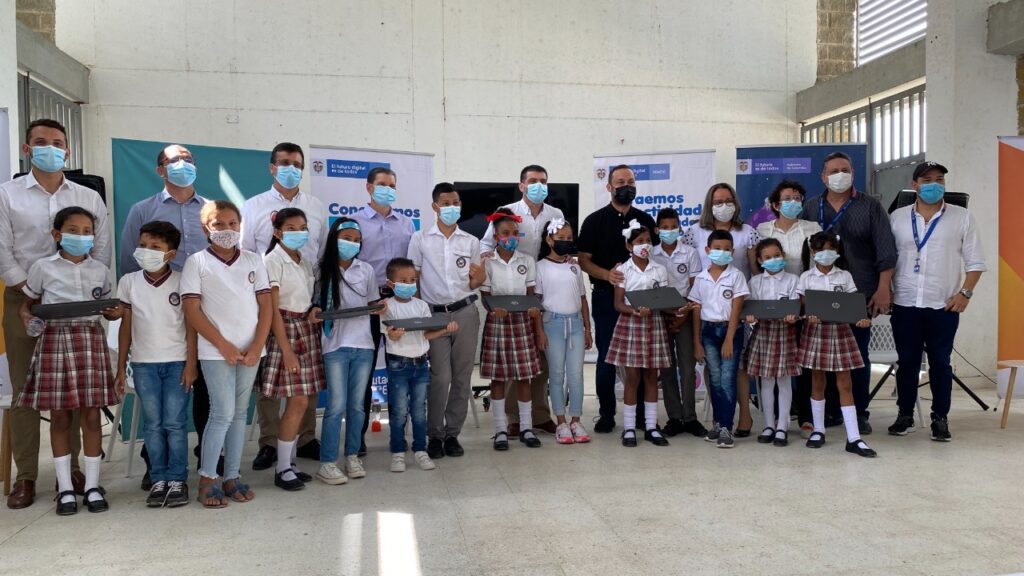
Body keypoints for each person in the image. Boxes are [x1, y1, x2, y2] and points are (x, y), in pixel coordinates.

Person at [0, 119, 110, 509]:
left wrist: (84, 293)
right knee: (23, 391)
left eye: (58, 143)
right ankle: (26, 476)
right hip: (24, 301)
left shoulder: (87, 197)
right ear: (27, 149)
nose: (51, 148)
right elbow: (2, 249)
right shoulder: (7, 194)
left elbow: (101, 251)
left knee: (74, 392)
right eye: (41, 142)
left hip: (76, 309)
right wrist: (32, 289)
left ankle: (74, 471)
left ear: (67, 150)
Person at [118, 143, 211, 489]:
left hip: (208, 313)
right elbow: (130, 263)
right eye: (174, 160)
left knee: (204, 392)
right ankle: (156, 466)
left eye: (188, 159)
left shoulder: (210, 211)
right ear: (160, 170)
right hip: (158, 319)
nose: (182, 164)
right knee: (157, 413)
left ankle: (206, 459)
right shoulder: (143, 210)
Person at [18, 206, 120, 515]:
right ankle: (64, 489)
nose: (81, 236)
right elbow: (27, 306)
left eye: (87, 231)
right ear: (57, 234)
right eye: (73, 230)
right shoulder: (42, 267)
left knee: (92, 416)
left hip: (90, 340)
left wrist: (114, 313)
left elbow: (108, 307)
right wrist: (28, 318)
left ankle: (92, 486)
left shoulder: (100, 270)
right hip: (55, 340)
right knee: (60, 417)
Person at [241, 143, 327, 471]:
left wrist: (316, 302)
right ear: (272, 167)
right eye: (285, 163)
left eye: (297, 164)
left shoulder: (315, 207)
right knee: (270, 382)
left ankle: (305, 438)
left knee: (305, 384)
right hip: (270, 306)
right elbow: (246, 255)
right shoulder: (253, 206)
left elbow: (319, 257)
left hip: (306, 304)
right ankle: (269, 441)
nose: (292, 168)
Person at [181, 200, 272, 507]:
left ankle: (232, 476)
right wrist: (222, 344)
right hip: (214, 351)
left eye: (233, 224)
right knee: (221, 413)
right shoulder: (196, 262)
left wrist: (257, 345)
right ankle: (208, 479)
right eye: (219, 224)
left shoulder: (253, 260)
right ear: (205, 228)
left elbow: (266, 306)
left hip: (251, 351)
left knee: (239, 414)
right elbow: (192, 311)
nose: (227, 229)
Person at [887, 161, 986, 441]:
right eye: (927, 179)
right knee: (907, 362)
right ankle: (905, 414)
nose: (934, 184)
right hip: (905, 302)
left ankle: (940, 418)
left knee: (940, 363)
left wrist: (965, 294)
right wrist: (887, 290)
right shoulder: (897, 217)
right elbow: (887, 258)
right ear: (915, 185)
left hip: (943, 304)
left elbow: (976, 261)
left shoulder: (961, 217)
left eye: (939, 179)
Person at [803, 151, 897, 434]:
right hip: (819, 296)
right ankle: (831, 411)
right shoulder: (811, 207)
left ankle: (859, 413)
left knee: (856, 357)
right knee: (821, 358)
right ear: (823, 177)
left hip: (859, 293)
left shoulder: (870, 206)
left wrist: (883, 288)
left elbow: (886, 249)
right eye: (833, 171)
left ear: (853, 173)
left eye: (844, 169)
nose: (839, 175)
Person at [115, 220, 197, 508]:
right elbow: (125, 328)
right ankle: (158, 478)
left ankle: (177, 479)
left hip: (177, 364)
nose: (146, 251)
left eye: (155, 247)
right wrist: (120, 367)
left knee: (175, 424)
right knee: (152, 425)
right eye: (143, 245)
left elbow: (191, 327)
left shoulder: (182, 281)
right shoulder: (128, 282)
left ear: (170, 254)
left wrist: (191, 364)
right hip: (143, 365)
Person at [480, 165, 564, 435]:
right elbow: (486, 244)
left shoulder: (555, 213)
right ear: (522, 185)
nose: (539, 185)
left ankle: (539, 415)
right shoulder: (508, 211)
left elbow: (560, 242)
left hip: (544, 286)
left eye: (543, 181)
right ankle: (514, 419)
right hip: (512, 287)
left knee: (539, 357)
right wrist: (486, 260)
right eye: (533, 181)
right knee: (509, 364)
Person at [407, 183, 485, 459]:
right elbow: (414, 279)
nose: (452, 207)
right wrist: (420, 315)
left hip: (465, 312)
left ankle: (452, 434)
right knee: (440, 378)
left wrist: (481, 278)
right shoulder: (420, 239)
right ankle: (435, 435)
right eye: (446, 203)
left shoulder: (470, 241)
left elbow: (474, 281)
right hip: (434, 314)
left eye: (456, 203)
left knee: (462, 377)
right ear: (435, 207)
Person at [577, 164, 656, 433]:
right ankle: (607, 414)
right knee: (607, 358)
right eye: (620, 182)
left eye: (630, 182)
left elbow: (653, 257)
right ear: (609, 187)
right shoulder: (594, 220)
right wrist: (606, 275)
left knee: (642, 357)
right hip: (605, 296)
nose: (626, 186)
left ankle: (643, 416)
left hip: (641, 298)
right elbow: (583, 259)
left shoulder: (645, 219)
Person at [313, 217, 386, 484]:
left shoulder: (366, 270)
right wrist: (315, 312)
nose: (352, 244)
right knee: (335, 406)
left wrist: (381, 307)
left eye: (356, 241)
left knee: (357, 406)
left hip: (364, 345)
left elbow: (373, 302)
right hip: (335, 346)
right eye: (347, 239)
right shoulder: (321, 269)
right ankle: (327, 462)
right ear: (334, 239)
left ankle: (352, 455)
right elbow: (315, 305)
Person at [259, 208, 325, 491]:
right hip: (284, 332)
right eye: (291, 228)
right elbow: (272, 309)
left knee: (303, 401)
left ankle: (290, 462)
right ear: (277, 232)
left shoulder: (304, 261)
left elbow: (305, 299)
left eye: (303, 227)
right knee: (297, 402)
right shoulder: (272, 261)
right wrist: (286, 350)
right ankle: (282, 468)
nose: (299, 233)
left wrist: (313, 311)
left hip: (306, 329)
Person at [684, 183, 759, 434]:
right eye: (718, 202)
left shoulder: (747, 232)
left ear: (736, 203)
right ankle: (720, 420)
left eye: (728, 201)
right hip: (706, 308)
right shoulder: (695, 232)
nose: (723, 206)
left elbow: (755, 271)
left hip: (737, 309)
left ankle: (744, 416)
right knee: (713, 369)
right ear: (709, 204)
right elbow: (688, 266)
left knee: (737, 367)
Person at [351, 167, 415, 455]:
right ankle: (357, 437)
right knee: (363, 375)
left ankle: (400, 435)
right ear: (369, 187)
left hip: (400, 303)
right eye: (382, 184)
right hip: (368, 304)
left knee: (401, 372)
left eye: (392, 185)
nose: (387, 189)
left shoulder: (406, 224)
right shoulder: (355, 222)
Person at [796, 232, 876, 457]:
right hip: (816, 332)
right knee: (817, 380)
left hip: (841, 331)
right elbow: (803, 305)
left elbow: (853, 305)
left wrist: (860, 318)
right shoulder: (806, 277)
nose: (826, 253)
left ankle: (854, 437)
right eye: (820, 250)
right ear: (813, 253)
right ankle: (818, 430)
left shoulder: (845, 276)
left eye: (830, 249)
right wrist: (808, 314)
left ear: (838, 251)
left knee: (845, 383)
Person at [382, 257, 458, 472]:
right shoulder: (386, 307)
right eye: (403, 280)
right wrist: (395, 334)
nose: (409, 284)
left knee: (418, 410)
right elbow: (389, 335)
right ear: (391, 283)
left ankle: (420, 450)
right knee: (398, 411)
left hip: (421, 364)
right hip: (398, 365)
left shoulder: (422, 305)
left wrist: (444, 330)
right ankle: (398, 452)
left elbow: (426, 334)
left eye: (412, 280)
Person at [480, 208, 543, 451]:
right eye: (505, 233)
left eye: (515, 233)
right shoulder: (488, 262)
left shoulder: (526, 261)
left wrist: (534, 314)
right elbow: (485, 296)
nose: (511, 237)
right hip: (497, 323)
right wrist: (492, 309)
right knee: (498, 378)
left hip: (522, 323)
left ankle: (526, 427)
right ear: (496, 237)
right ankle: (500, 430)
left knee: (524, 377)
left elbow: (531, 295)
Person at [606, 222, 672, 448]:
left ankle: (651, 427)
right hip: (631, 323)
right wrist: (634, 311)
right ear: (629, 246)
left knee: (652, 376)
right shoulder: (623, 270)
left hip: (654, 323)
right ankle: (629, 428)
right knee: (632, 378)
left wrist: (676, 308)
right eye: (639, 241)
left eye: (648, 241)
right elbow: (618, 304)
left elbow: (663, 299)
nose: (645, 245)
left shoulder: (659, 269)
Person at [689, 230, 750, 449]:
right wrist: (697, 342)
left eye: (726, 249)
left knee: (727, 378)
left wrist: (729, 338)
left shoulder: (736, 276)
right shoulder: (701, 278)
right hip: (708, 332)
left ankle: (726, 427)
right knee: (714, 379)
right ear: (707, 250)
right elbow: (696, 310)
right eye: (717, 249)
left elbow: (737, 309)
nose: (722, 252)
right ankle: (718, 423)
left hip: (730, 331)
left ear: (733, 251)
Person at [650, 207, 707, 438]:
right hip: (661, 312)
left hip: (686, 310)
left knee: (687, 367)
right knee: (666, 368)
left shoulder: (689, 252)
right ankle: (674, 417)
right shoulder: (651, 253)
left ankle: (690, 417)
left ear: (680, 228)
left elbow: (695, 286)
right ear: (657, 230)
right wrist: (668, 312)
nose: (669, 231)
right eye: (664, 227)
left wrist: (683, 314)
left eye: (673, 227)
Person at [535, 218, 593, 445]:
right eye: (561, 238)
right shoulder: (540, 267)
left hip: (576, 324)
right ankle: (560, 421)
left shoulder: (574, 266)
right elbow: (537, 303)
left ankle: (576, 420)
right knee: (556, 374)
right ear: (549, 240)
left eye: (569, 238)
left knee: (576, 374)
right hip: (553, 324)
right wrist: (540, 332)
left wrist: (587, 328)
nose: (566, 242)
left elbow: (582, 298)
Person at [743, 238, 800, 447]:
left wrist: (792, 316)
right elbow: (750, 308)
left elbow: (795, 306)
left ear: (783, 255)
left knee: (784, 381)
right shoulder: (755, 282)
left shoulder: (793, 280)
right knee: (766, 382)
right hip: (763, 332)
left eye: (776, 255)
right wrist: (750, 317)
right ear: (760, 260)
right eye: (767, 257)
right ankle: (768, 425)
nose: (773, 260)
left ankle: (782, 426)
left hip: (785, 332)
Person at [755, 180, 822, 275]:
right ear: (776, 205)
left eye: (797, 198)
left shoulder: (813, 228)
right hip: (774, 283)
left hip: (807, 282)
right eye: (787, 199)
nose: (793, 202)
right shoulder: (762, 229)